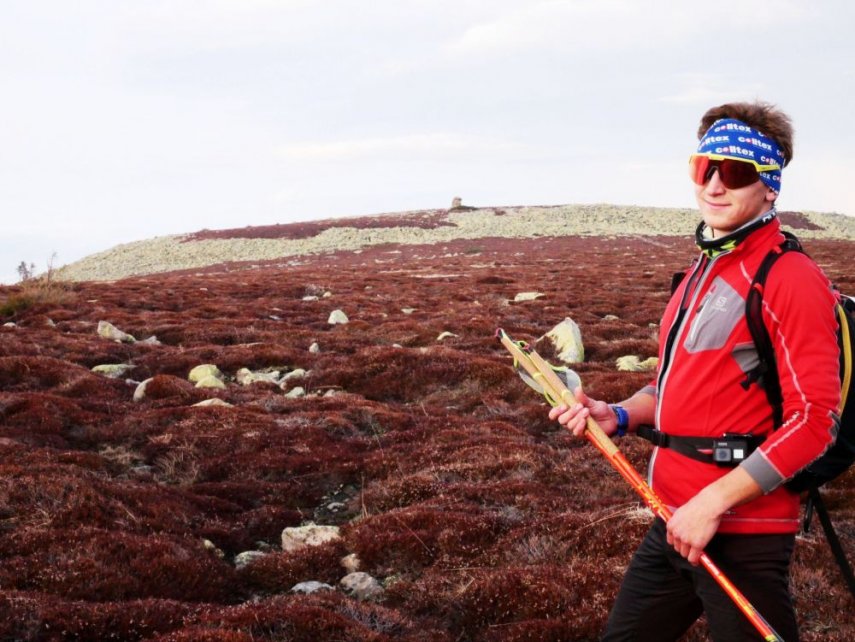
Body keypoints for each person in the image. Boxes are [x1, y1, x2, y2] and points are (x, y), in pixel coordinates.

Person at [550, 102, 841, 641]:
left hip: (742, 533)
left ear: (769, 186)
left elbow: (815, 421)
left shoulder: (790, 278)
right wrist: (617, 413)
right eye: (704, 166)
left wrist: (711, 505)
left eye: (735, 171)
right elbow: (672, 386)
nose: (713, 184)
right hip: (673, 517)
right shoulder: (700, 271)